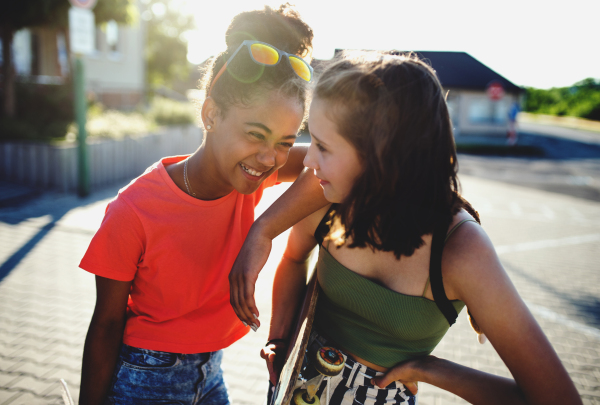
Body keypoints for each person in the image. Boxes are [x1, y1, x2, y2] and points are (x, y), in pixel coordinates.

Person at [231, 51, 582, 404]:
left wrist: (434, 370)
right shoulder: (327, 192)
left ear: (379, 154)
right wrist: (279, 337)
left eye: (322, 146)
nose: (307, 160)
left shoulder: (461, 251)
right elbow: (292, 259)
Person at [77, 5, 327, 405]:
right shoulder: (134, 209)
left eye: (284, 142)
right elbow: (105, 325)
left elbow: (333, 167)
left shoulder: (247, 176)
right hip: (145, 379)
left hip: (211, 374)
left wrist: (262, 231)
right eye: (255, 135)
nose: (269, 159)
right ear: (211, 113)